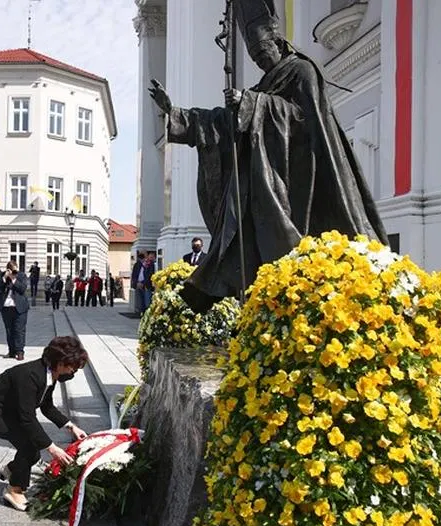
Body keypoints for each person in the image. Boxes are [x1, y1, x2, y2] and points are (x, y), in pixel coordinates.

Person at [148, 0, 386, 313]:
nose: (261, 61)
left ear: (278, 43)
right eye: (255, 57)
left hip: (303, 180)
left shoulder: (302, 72)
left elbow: (305, 120)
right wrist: (176, 112)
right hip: (270, 180)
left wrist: (252, 103)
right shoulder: (267, 82)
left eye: (264, 53)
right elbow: (225, 123)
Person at [0, 336, 89, 511]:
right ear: (60, 363)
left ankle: (11, 470)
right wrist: (52, 448)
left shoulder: (49, 374)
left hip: (8, 410)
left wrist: (71, 426)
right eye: (72, 368)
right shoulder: (30, 375)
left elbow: (46, 406)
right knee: (29, 446)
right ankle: (14, 489)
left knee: (32, 451)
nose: (73, 373)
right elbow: (28, 418)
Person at [0, 260, 29, 360]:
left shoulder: (22, 276)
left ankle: (20, 352)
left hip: (20, 308)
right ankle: (11, 351)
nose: (12, 271)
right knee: (9, 330)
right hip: (6, 307)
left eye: (14, 269)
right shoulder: (3, 276)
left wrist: (13, 279)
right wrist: (4, 278)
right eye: (10, 269)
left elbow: (22, 289)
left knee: (19, 330)